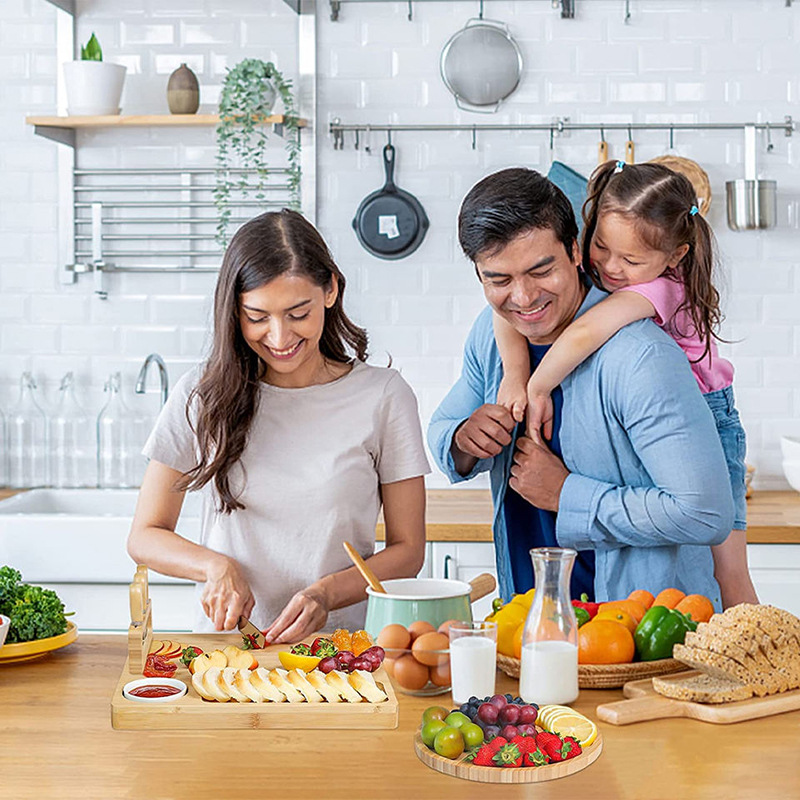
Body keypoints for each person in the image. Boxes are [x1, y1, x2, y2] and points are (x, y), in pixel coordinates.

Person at [428, 167, 734, 608]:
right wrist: (464, 439)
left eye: (541, 270)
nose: (523, 297)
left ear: (574, 250)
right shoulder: (492, 334)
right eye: (499, 280)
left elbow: (705, 512)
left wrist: (565, 493)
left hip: (639, 638)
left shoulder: (640, 357)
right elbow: (443, 429)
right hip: (530, 620)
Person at [128, 209, 429, 642]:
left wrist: (326, 594)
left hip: (339, 652)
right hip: (228, 646)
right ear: (234, 311)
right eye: (257, 317)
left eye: (297, 313)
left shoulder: (383, 396)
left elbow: (408, 551)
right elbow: (145, 535)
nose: (279, 336)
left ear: (330, 290)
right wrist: (215, 566)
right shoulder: (202, 392)